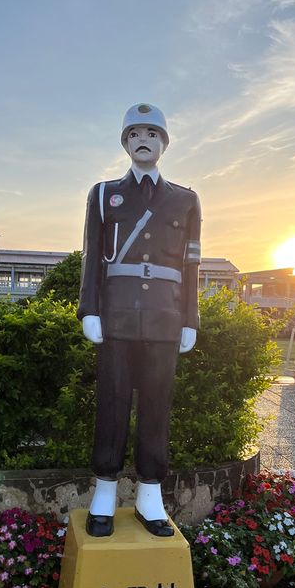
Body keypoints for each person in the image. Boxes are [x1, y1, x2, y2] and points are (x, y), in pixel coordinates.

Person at [78, 103, 201, 538]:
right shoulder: (102, 193)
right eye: (134, 133)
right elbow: (93, 258)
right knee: (111, 404)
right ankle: (105, 494)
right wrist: (89, 309)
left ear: (164, 142)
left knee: (156, 408)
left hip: (165, 321)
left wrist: (190, 317)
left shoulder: (186, 200)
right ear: (125, 143)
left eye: (151, 132)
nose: (142, 139)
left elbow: (191, 266)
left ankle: (151, 497)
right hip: (116, 318)